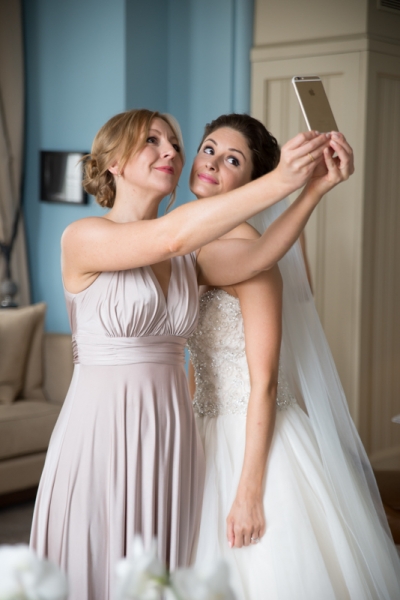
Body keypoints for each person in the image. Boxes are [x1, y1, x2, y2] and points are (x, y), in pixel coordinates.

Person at [30, 108, 337, 600]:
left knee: (159, 575)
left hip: (172, 438)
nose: (171, 150)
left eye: (174, 142)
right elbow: (170, 235)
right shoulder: (83, 237)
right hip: (102, 431)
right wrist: (283, 179)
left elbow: (259, 259)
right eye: (152, 140)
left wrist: (313, 191)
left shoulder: (186, 261)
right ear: (113, 162)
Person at [188, 114, 400, 599]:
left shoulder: (250, 252)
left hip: (252, 441)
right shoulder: (194, 236)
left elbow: (264, 380)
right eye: (209, 149)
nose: (213, 163)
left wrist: (248, 492)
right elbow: (197, 362)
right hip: (204, 432)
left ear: (255, 183)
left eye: (233, 160)